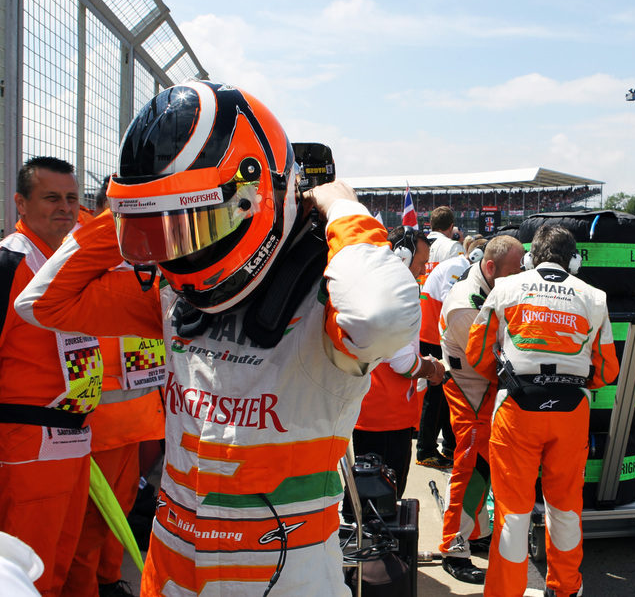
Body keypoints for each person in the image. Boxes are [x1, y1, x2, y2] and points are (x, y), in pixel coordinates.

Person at [15, 81, 421, 595]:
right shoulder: (171, 294)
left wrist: (341, 208)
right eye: (168, 226)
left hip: (285, 573)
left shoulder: (328, 302)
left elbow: (384, 318)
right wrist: (130, 206)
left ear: (255, 197)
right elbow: (42, 303)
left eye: (196, 221)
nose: (180, 245)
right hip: (172, 566)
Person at [466, 225, 619, 597]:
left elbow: (477, 351)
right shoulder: (595, 297)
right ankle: (566, 588)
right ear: (575, 261)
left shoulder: (505, 289)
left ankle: (506, 592)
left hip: (517, 408)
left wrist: (510, 380)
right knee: (566, 508)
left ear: (532, 257)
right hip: (570, 413)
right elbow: (607, 370)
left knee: (513, 514)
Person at [62, 179, 167, 597]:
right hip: (97, 419)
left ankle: (107, 581)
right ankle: (89, 587)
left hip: (140, 414)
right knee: (89, 523)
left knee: (118, 511)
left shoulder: (151, 247)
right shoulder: (86, 246)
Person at [0, 156, 96, 597]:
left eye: (72, 199)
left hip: (73, 441)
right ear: (21, 203)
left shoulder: (68, 263)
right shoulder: (10, 265)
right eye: (51, 198)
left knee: (59, 562)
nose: (65, 208)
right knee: (28, 570)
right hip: (27, 446)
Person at [438, 235, 523, 584]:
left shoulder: (486, 283)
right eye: (515, 271)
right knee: (470, 469)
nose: (521, 276)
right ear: (490, 267)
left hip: (485, 388)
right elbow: (491, 360)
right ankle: (453, 548)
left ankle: (475, 534)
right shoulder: (465, 304)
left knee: (485, 467)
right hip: (471, 391)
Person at [353, 226, 444, 499]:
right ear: (402, 255)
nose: (423, 269)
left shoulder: (371, 282)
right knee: (386, 499)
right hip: (387, 413)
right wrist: (432, 369)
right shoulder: (397, 291)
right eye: (420, 263)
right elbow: (403, 364)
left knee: (364, 493)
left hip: (368, 408)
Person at [416, 205, 465, 468]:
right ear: (452, 225)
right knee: (438, 392)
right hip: (438, 327)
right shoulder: (454, 251)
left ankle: (443, 444)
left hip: (420, 316)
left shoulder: (422, 243)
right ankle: (427, 448)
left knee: (437, 391)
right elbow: (453, 295)